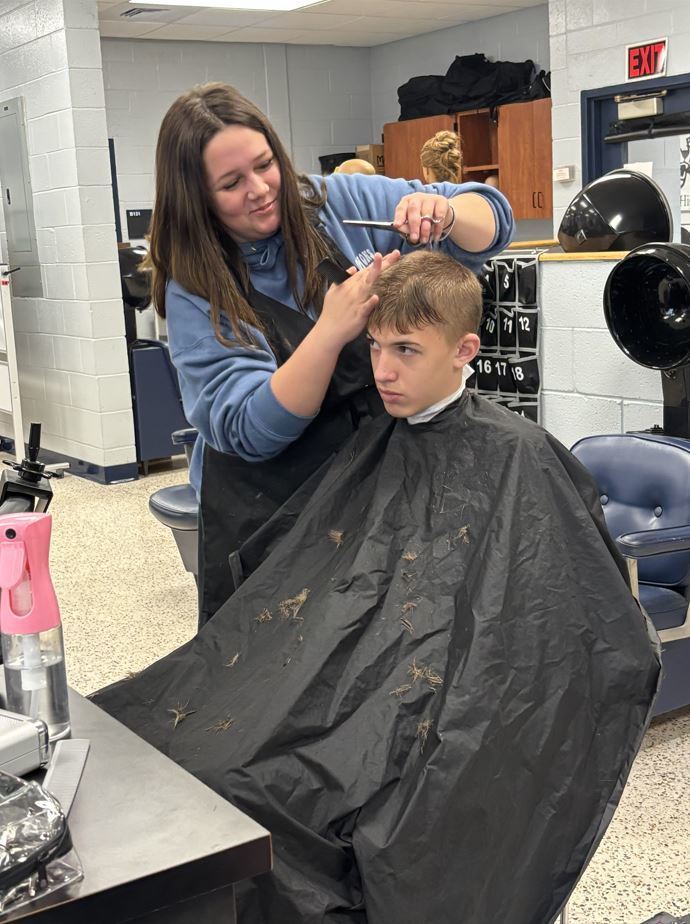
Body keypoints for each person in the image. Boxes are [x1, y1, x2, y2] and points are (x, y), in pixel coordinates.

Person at [95, 251, 659, 924]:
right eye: (376, 348)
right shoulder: (380, 442)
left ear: (464, 351)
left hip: (429, 703)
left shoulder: (517, 457)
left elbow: (561, 627)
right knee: (153, 735)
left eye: (407, 350)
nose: (384, 371)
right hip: (356, 680)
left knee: (276, 797)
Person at [148, 82, 514, 626]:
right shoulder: (196, 287)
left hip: (372, 485)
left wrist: (446, 211)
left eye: (265, 164)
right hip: (271, 513)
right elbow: (249, 427)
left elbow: (491, 221)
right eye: (230, 183)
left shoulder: (331, 203)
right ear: (196, 196)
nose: (260, 189)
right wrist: (331, 330)